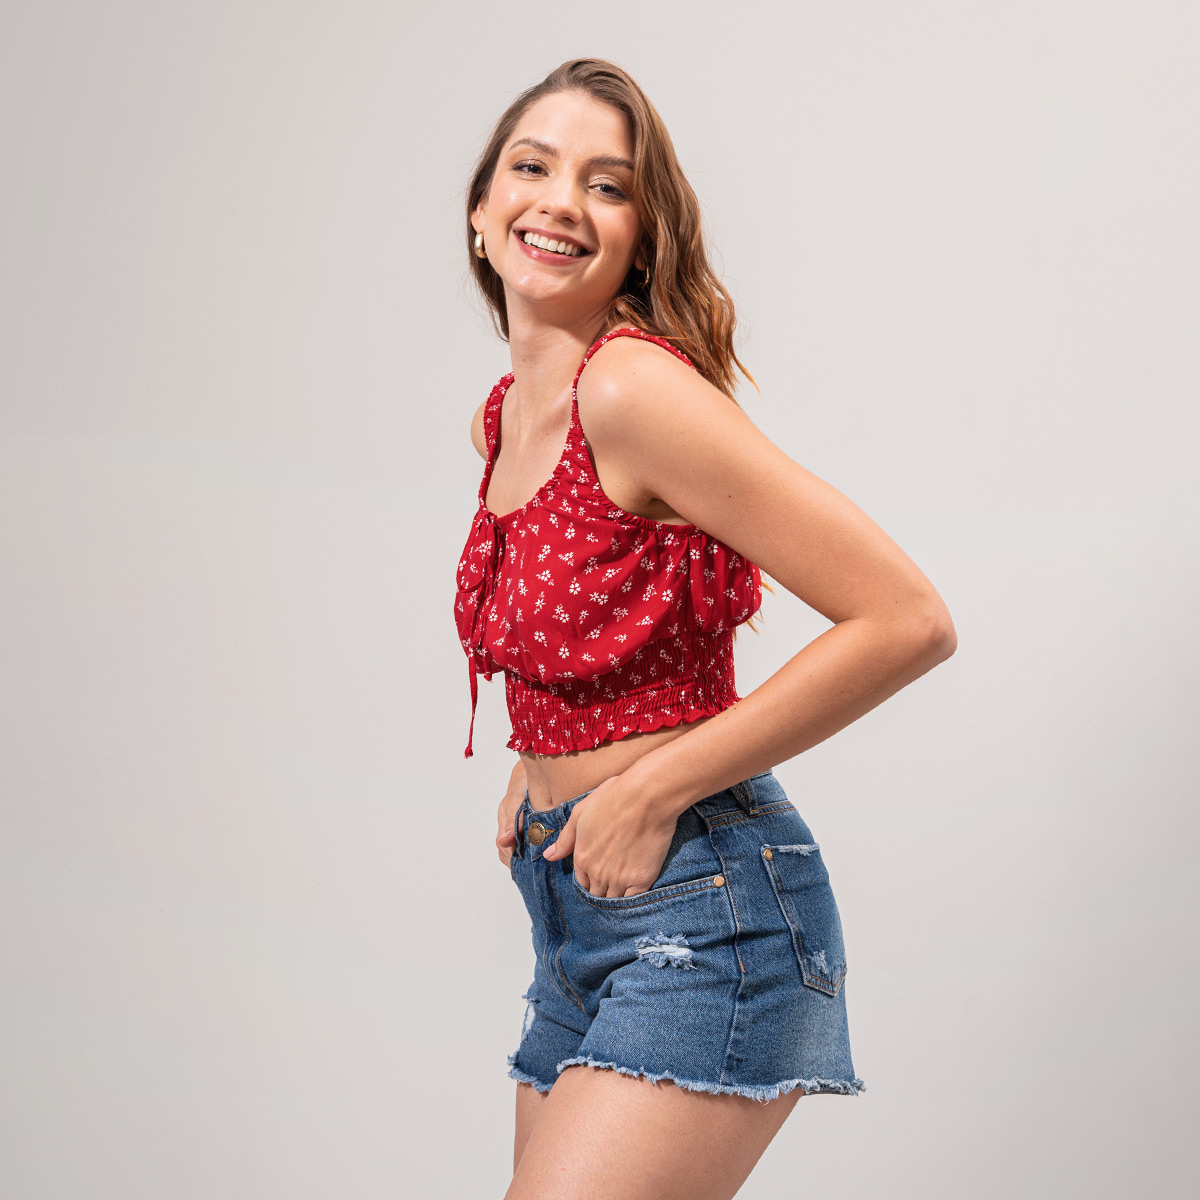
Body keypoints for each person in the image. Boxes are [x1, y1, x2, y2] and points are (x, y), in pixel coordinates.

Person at [455, 58, 957, 1200]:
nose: (561, 201)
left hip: (705, 909)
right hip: (570, 912)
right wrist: (545, 763)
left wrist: (648, 788)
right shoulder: (505, 417)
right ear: (481, 212)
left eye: (607, 185)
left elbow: (906, 618)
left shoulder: (628, 389)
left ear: (642, 240)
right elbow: (603, 629)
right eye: (532, 168)